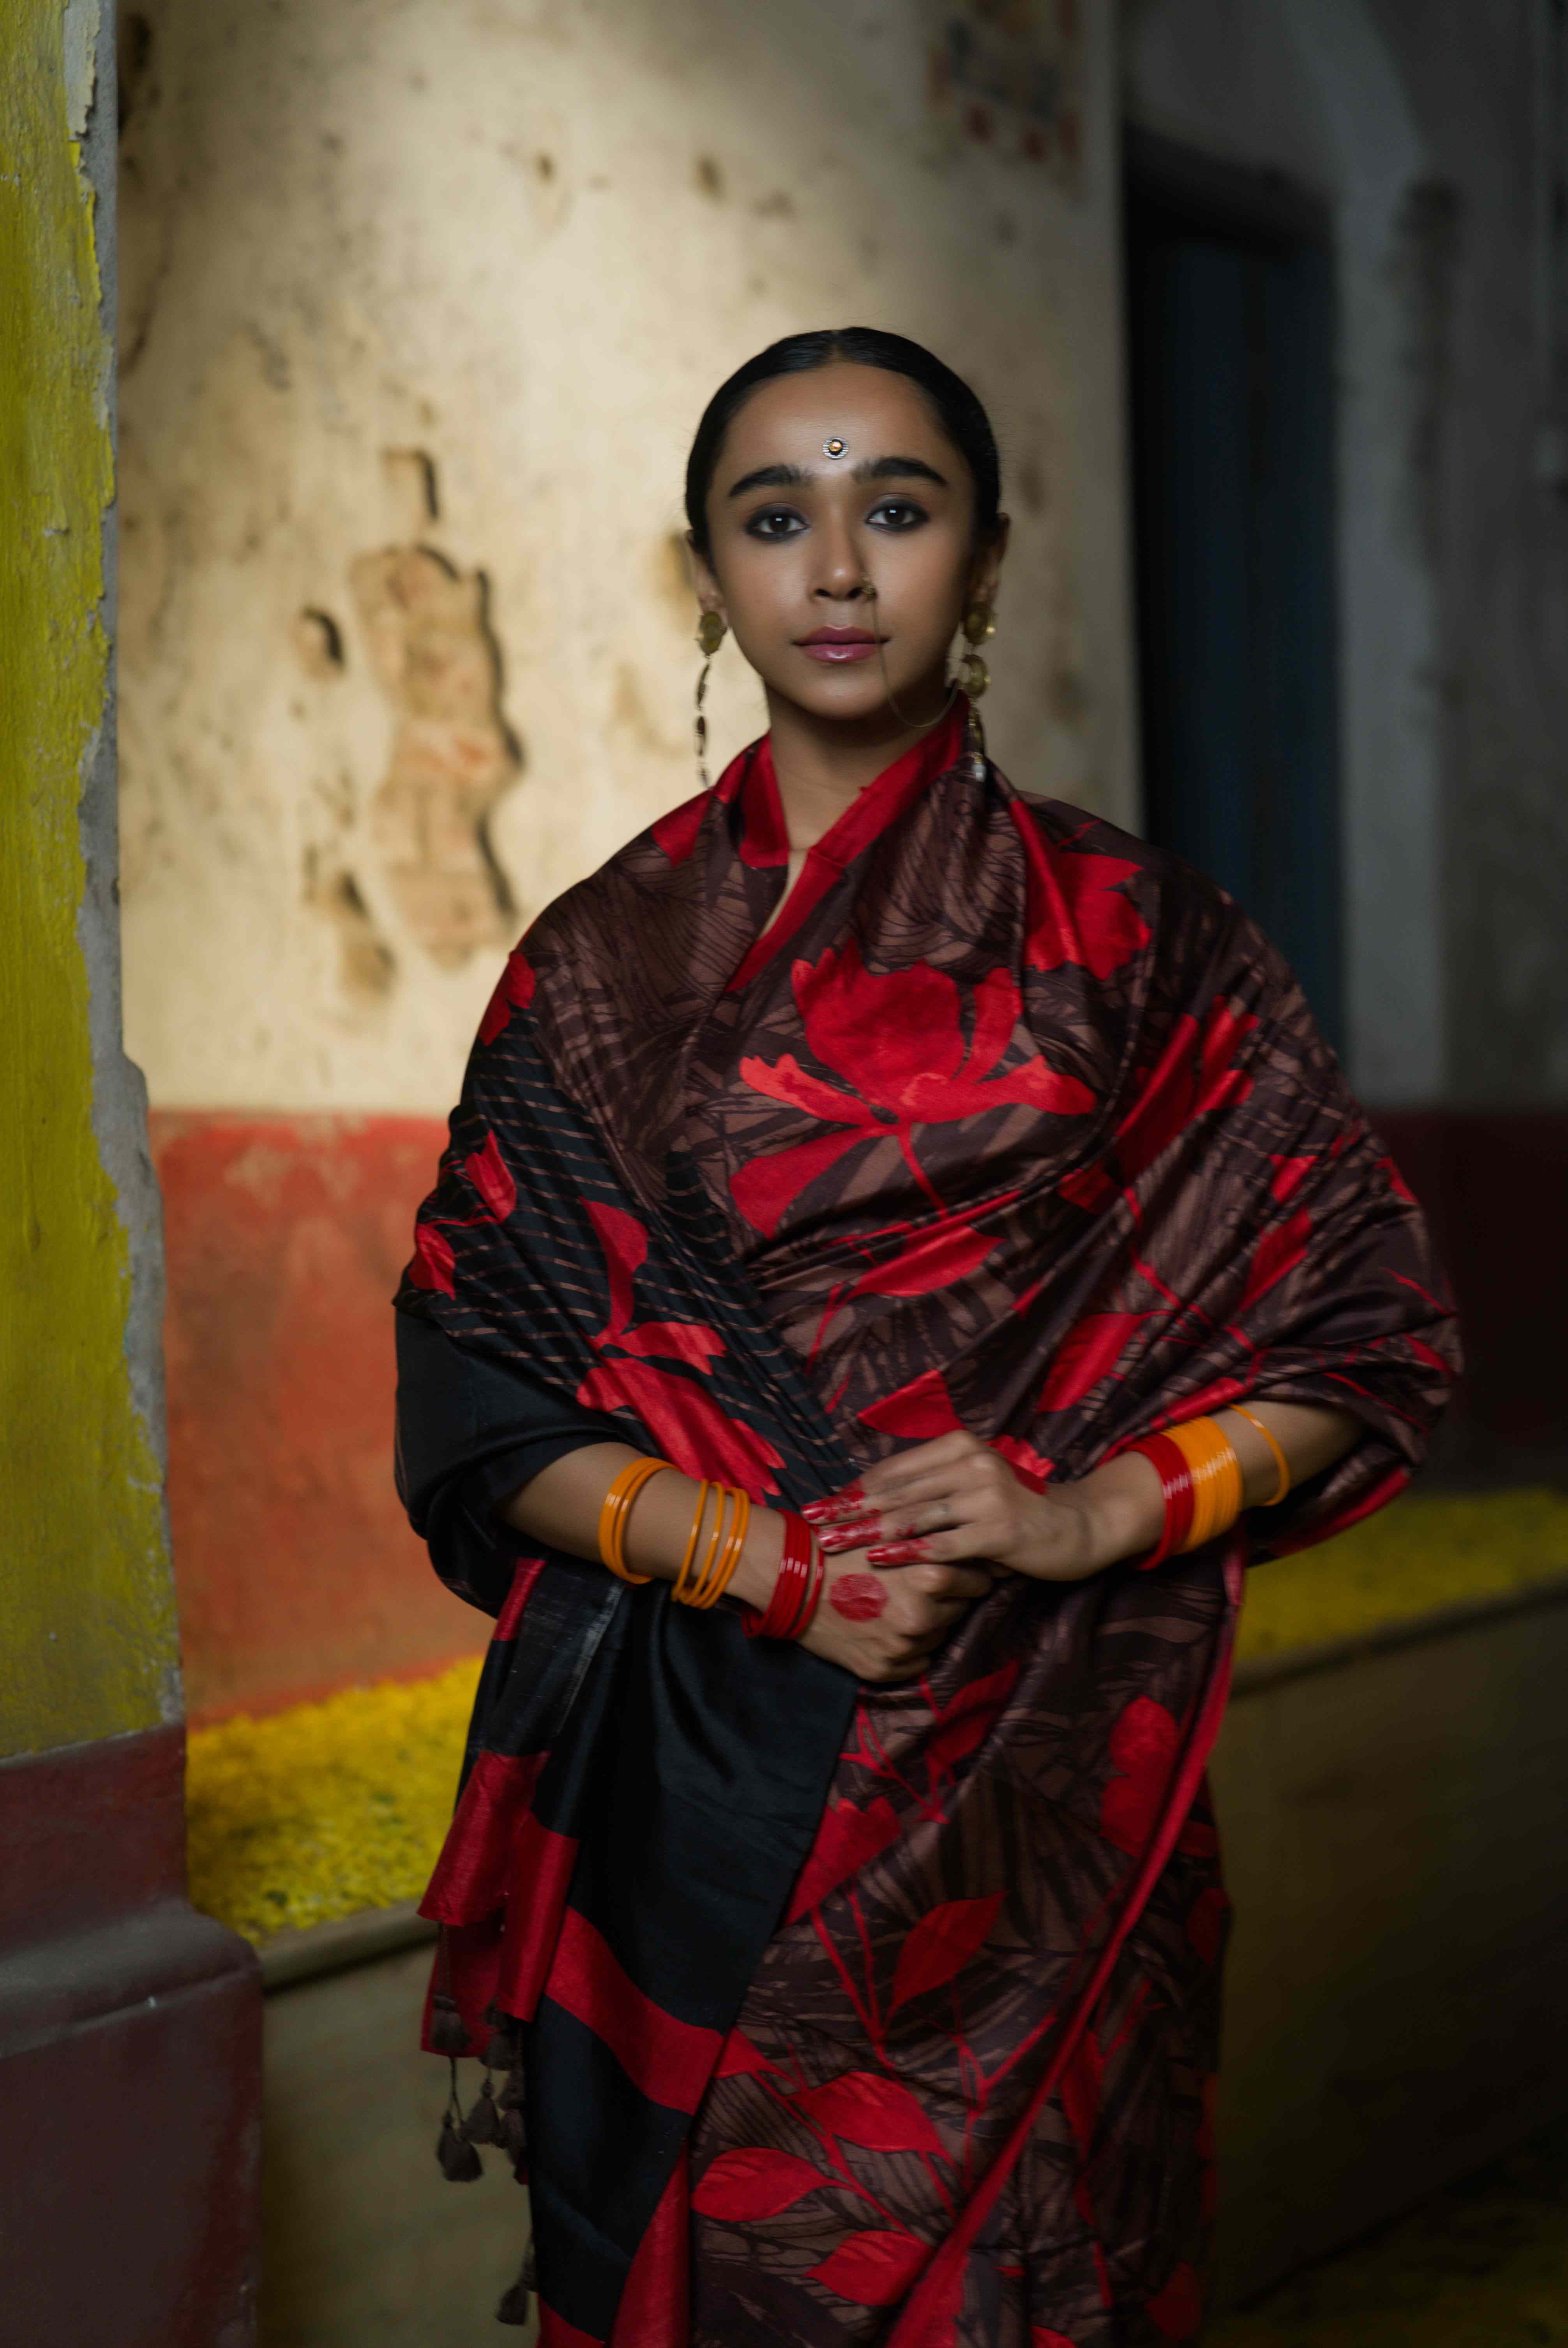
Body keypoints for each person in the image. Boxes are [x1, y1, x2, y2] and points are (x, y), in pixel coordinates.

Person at [393, 327, 1458, 2348]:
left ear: (985, 551)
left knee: (1035, 2280)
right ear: (700, 570)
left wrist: (1089, 1517)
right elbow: (475, 1375)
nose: (839, 568)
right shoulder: (600, 963)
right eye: (773, 518)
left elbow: (1354, 1318)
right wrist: (767, 1564)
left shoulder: (1139, 941)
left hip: (1040, 1774)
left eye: (896, 507)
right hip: (705, 1776)